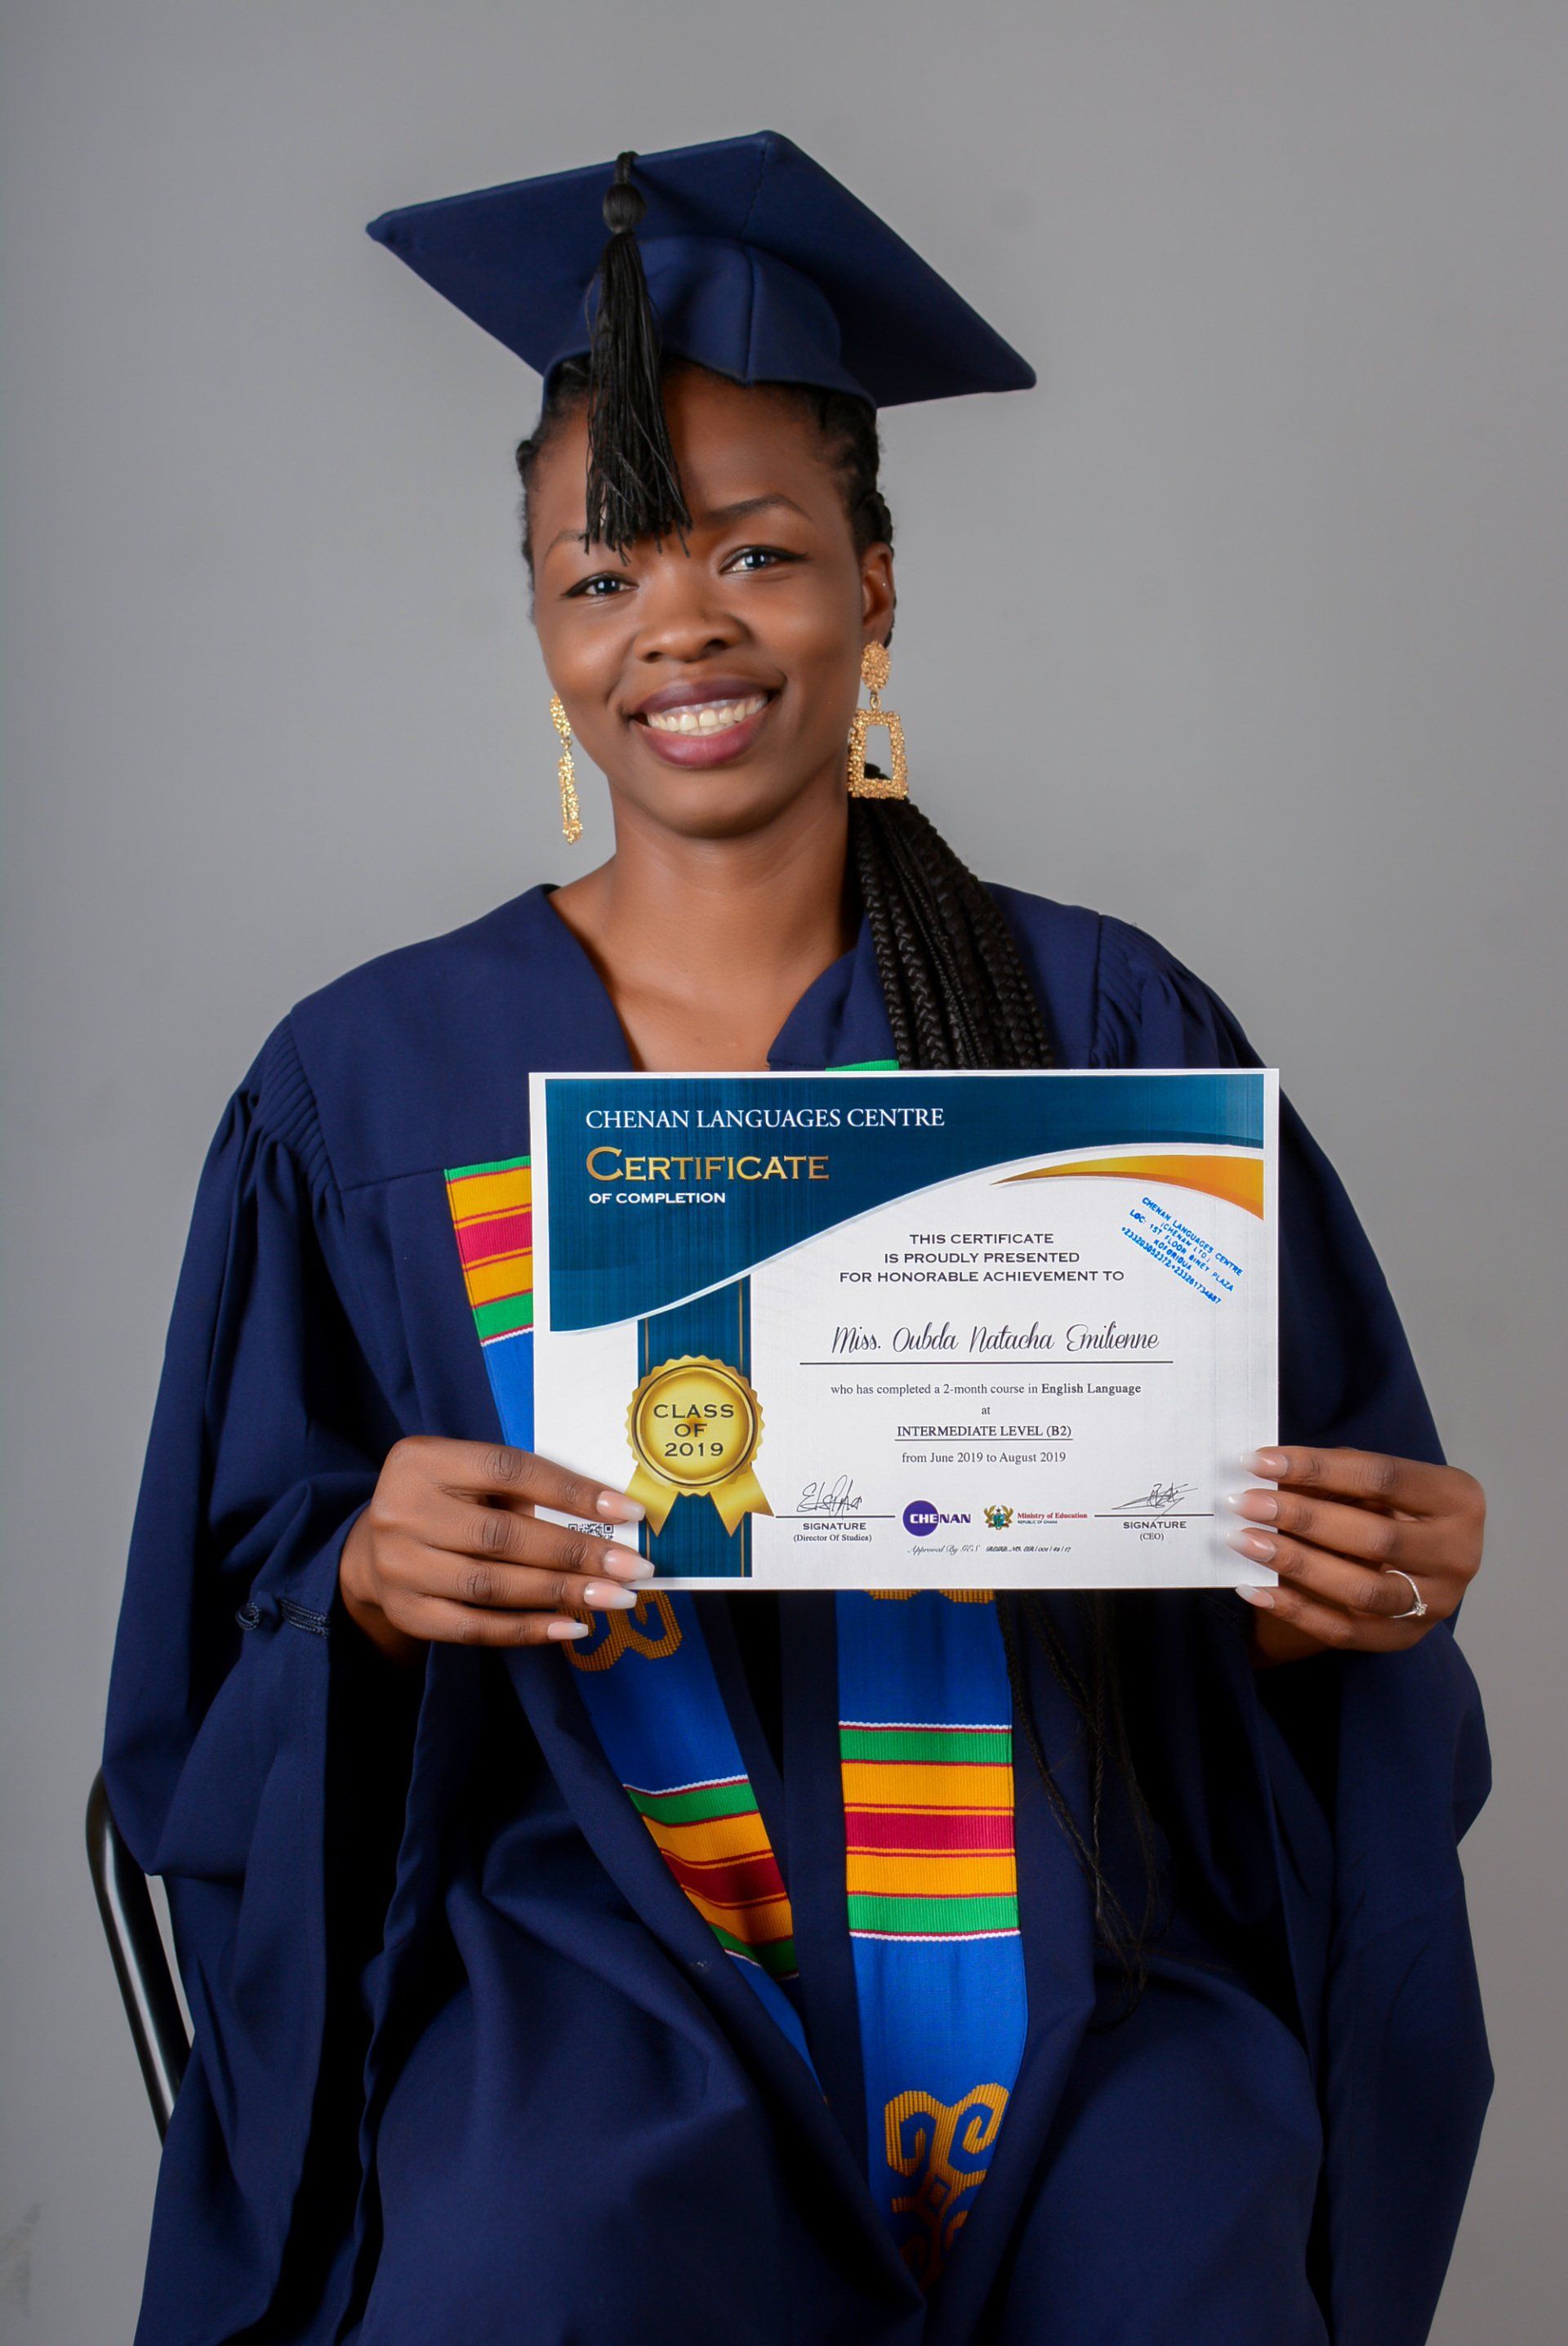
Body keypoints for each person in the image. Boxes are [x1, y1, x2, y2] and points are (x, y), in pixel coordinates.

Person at [105, 133, 1490, 2346]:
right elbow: (226, 1661)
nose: (680, 626)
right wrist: (366, 1588)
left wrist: (1354, 1594)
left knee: (1188, 2261)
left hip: (1075, 1944)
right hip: (589, 1957)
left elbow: (1281, 1617)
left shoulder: (1098, 1024)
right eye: (600, 575)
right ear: (540, 624)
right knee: (532, 2257)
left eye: (758, 549)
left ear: (876, 578)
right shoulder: (363, 1090)